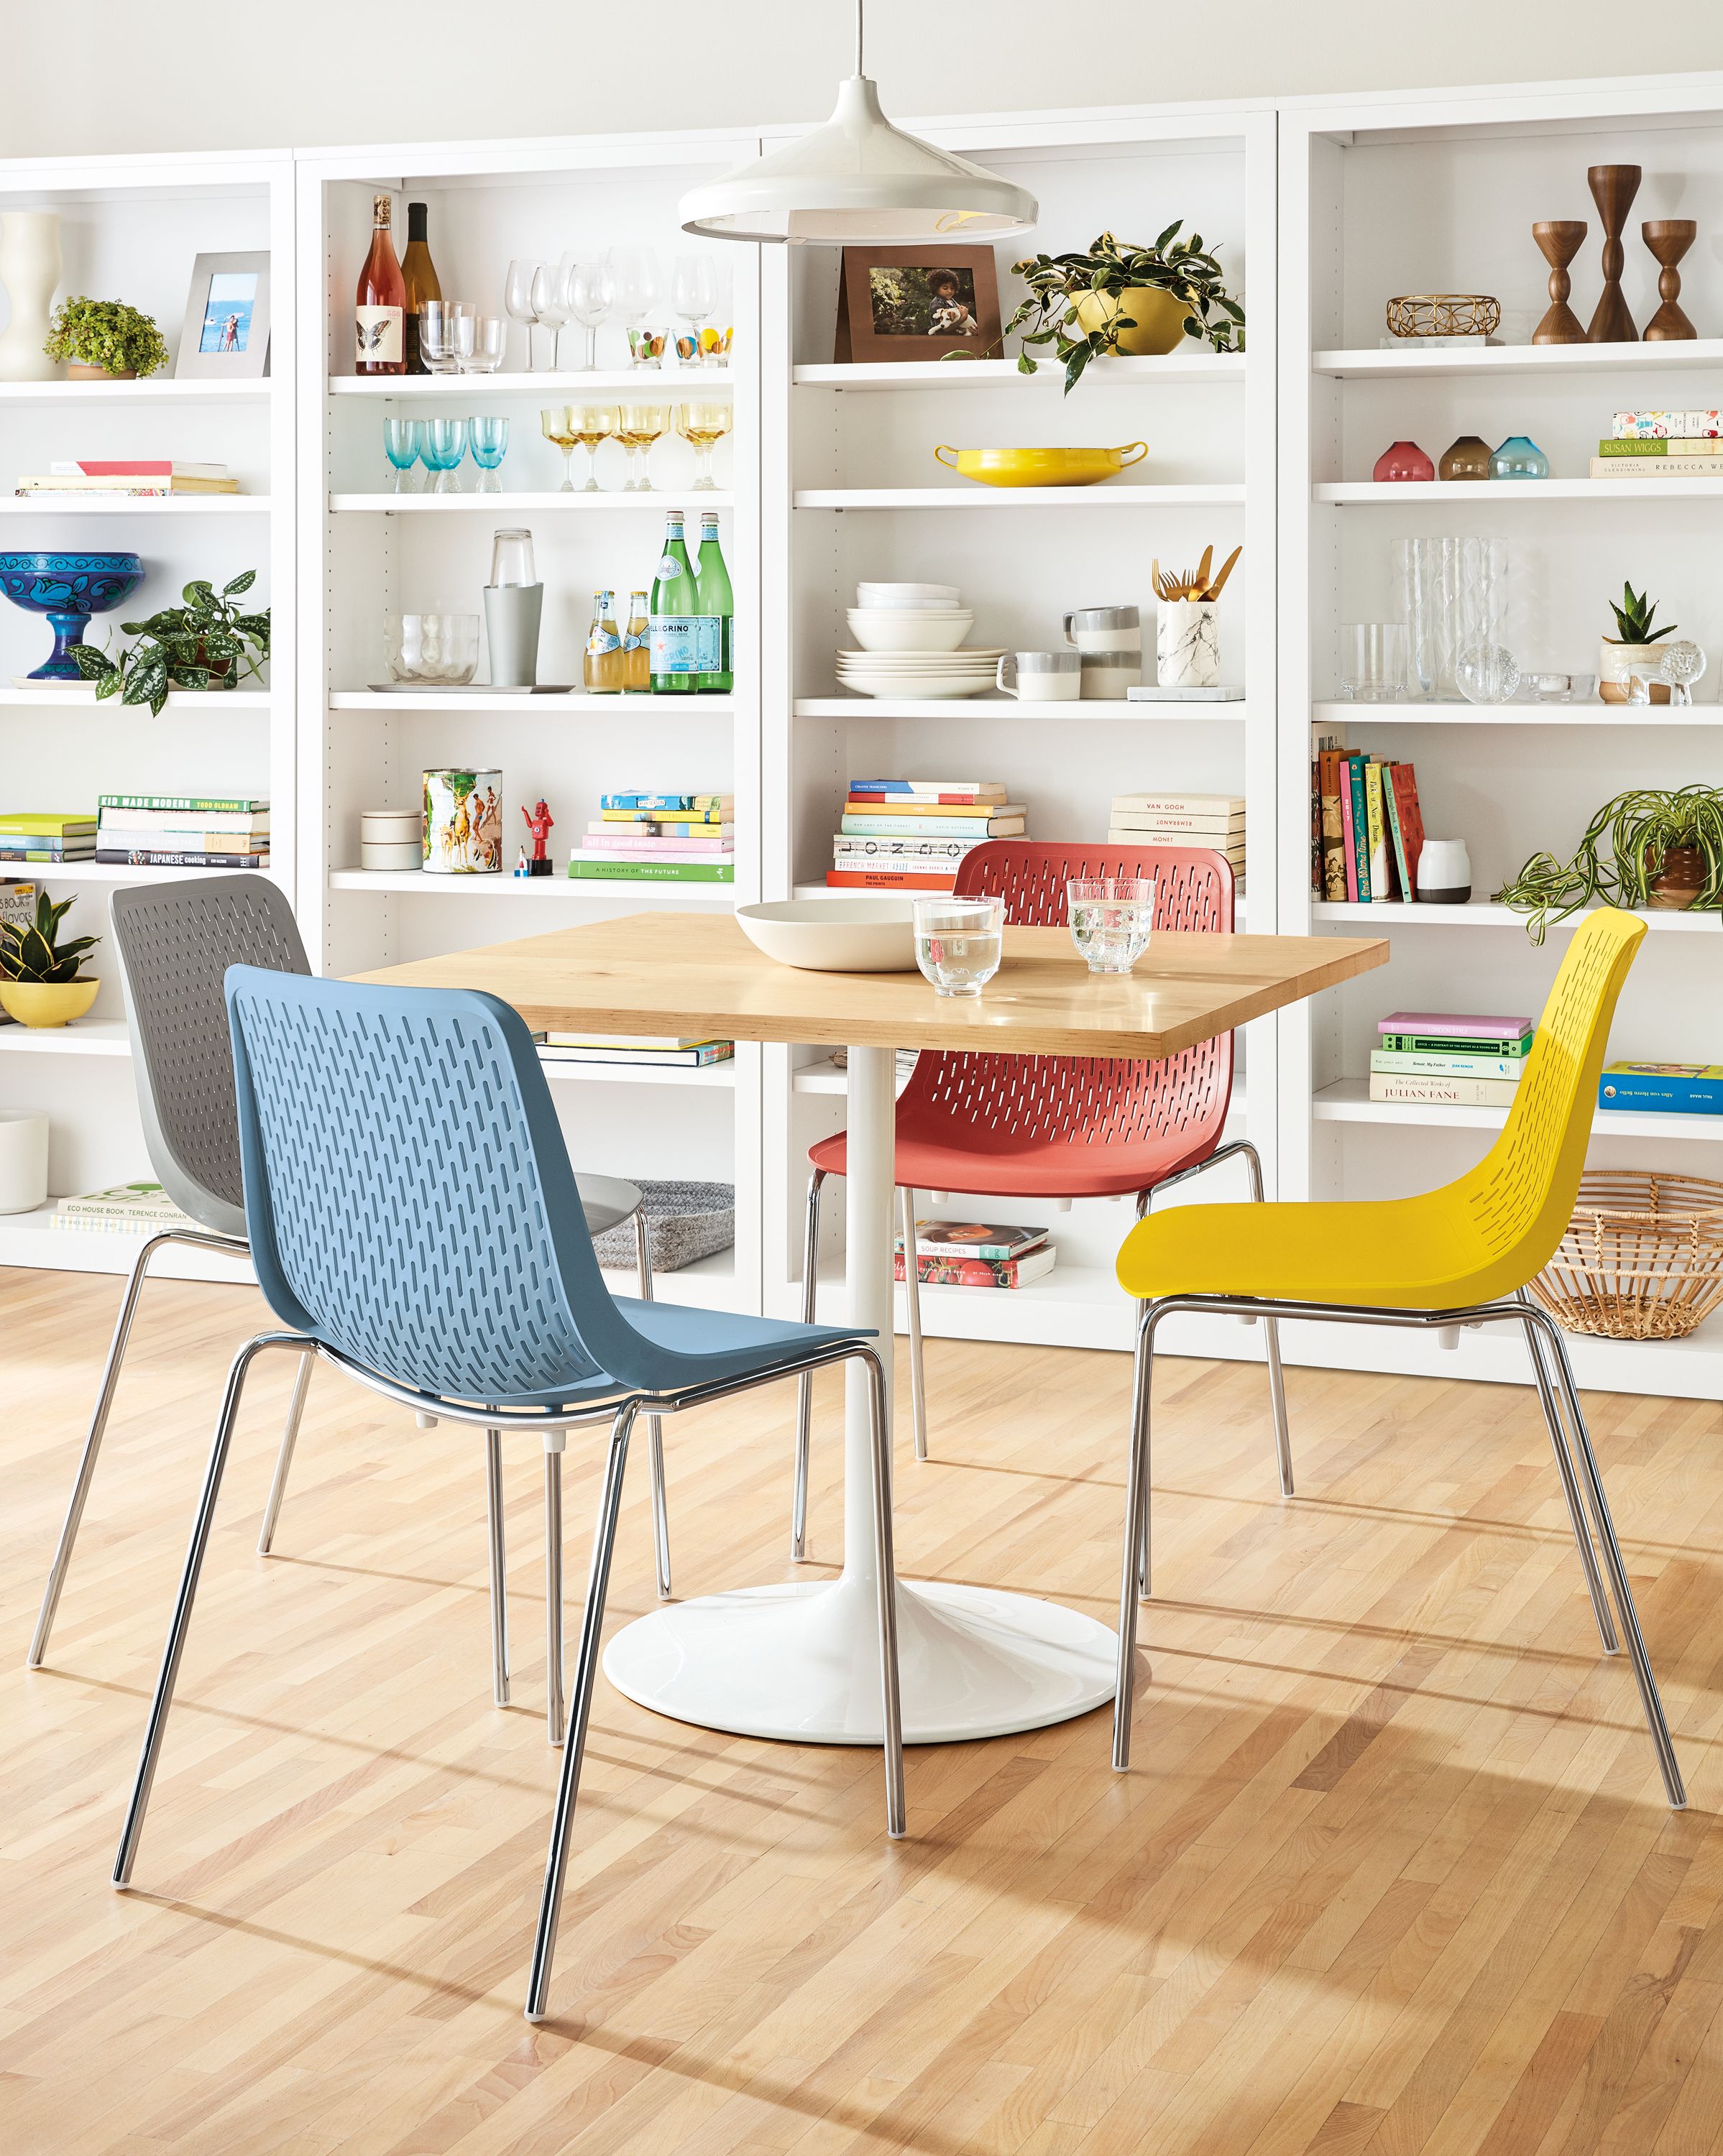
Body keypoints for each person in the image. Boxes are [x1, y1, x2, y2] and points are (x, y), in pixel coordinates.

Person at [926, 269, 978, 338]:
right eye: (945, 288)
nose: (950, 291)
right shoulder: (937, 304)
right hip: (946, 339)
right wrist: (964, 317)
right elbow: (946, 328)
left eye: (952, 288)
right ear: (936, 288)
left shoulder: (951, 300)